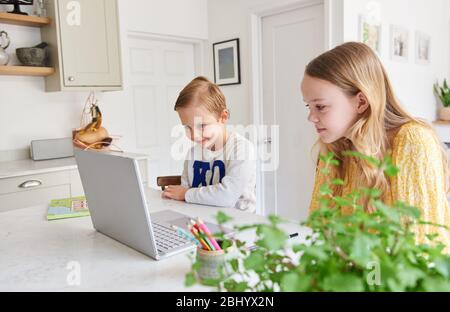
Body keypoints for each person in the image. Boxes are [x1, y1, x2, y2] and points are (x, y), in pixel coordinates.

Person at [302, 42, 450, 247]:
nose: (311, 117)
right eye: (308, 106)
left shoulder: (413, 141)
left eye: (320, 106)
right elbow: (320, 231)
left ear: (361, 102)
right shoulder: (334, 149)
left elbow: (420, 248)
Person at [162, 76, 256, 212]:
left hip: (237, 226)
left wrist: (185, 194)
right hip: (201, 222)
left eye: (202, 125)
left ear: (223, 117)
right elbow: (184, 193)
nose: (194, 135)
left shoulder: (242, 149)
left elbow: (227, 197)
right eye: (188, 127)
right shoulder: (193, 153)